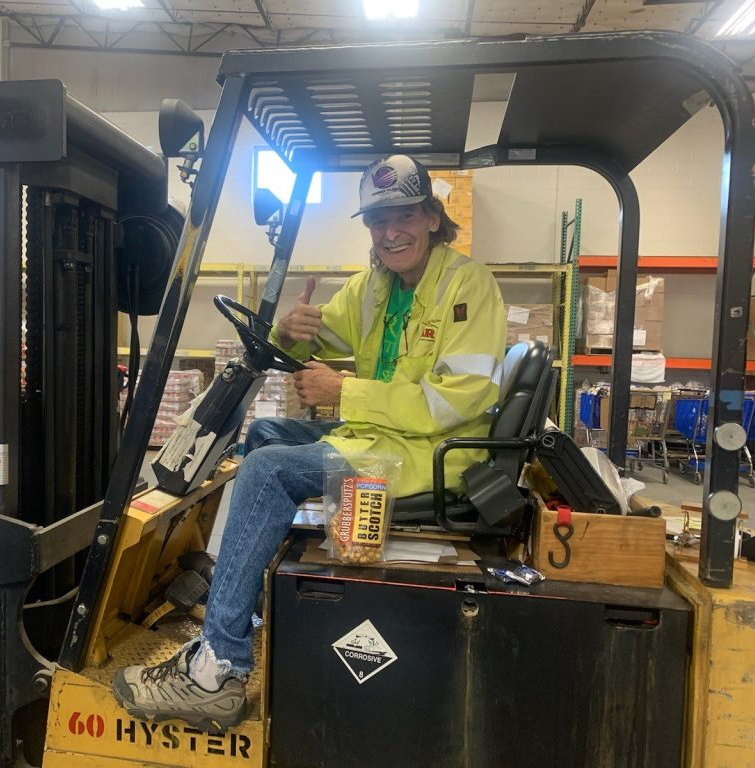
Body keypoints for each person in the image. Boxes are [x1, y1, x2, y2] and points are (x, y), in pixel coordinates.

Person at [112, 154, 506, 731]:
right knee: (267, 433)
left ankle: (217, 668)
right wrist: (288, 330)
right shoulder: (377, 286)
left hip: (434, 455)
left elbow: (457, 401)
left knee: (267, 469)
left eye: (401, 216)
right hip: (384, 436)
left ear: (428, 216)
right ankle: (245, 597)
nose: (389, 232)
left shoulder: (468, 286)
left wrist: (344, 391)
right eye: (376, 221)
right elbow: (309, 338)